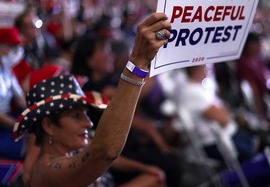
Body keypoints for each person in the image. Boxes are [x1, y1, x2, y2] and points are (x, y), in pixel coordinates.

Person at [13, 12, 171, 187]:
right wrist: (137, 63)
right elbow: (103, 152)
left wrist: (144, 168)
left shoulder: (66, 149)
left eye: (85, 114)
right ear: (48, 125)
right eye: (76, 116)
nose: (88, 123)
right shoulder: (49, 171)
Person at [177, 65, 258, 163]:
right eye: (205, 67)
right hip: (215, 142)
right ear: (196, 69)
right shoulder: (192, 91)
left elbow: (223, 112)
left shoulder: (198, 87)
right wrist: (223, 111)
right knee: (254, 158)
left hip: (225, 135)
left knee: (257, 143)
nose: (207, 70)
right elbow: (224, 119)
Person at [0, 27, 26, 161]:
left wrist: (32, 115)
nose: (15, 52)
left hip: (8, 120)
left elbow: (20, 97)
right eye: (11, 47)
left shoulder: (5, 68)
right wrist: (18, 126)